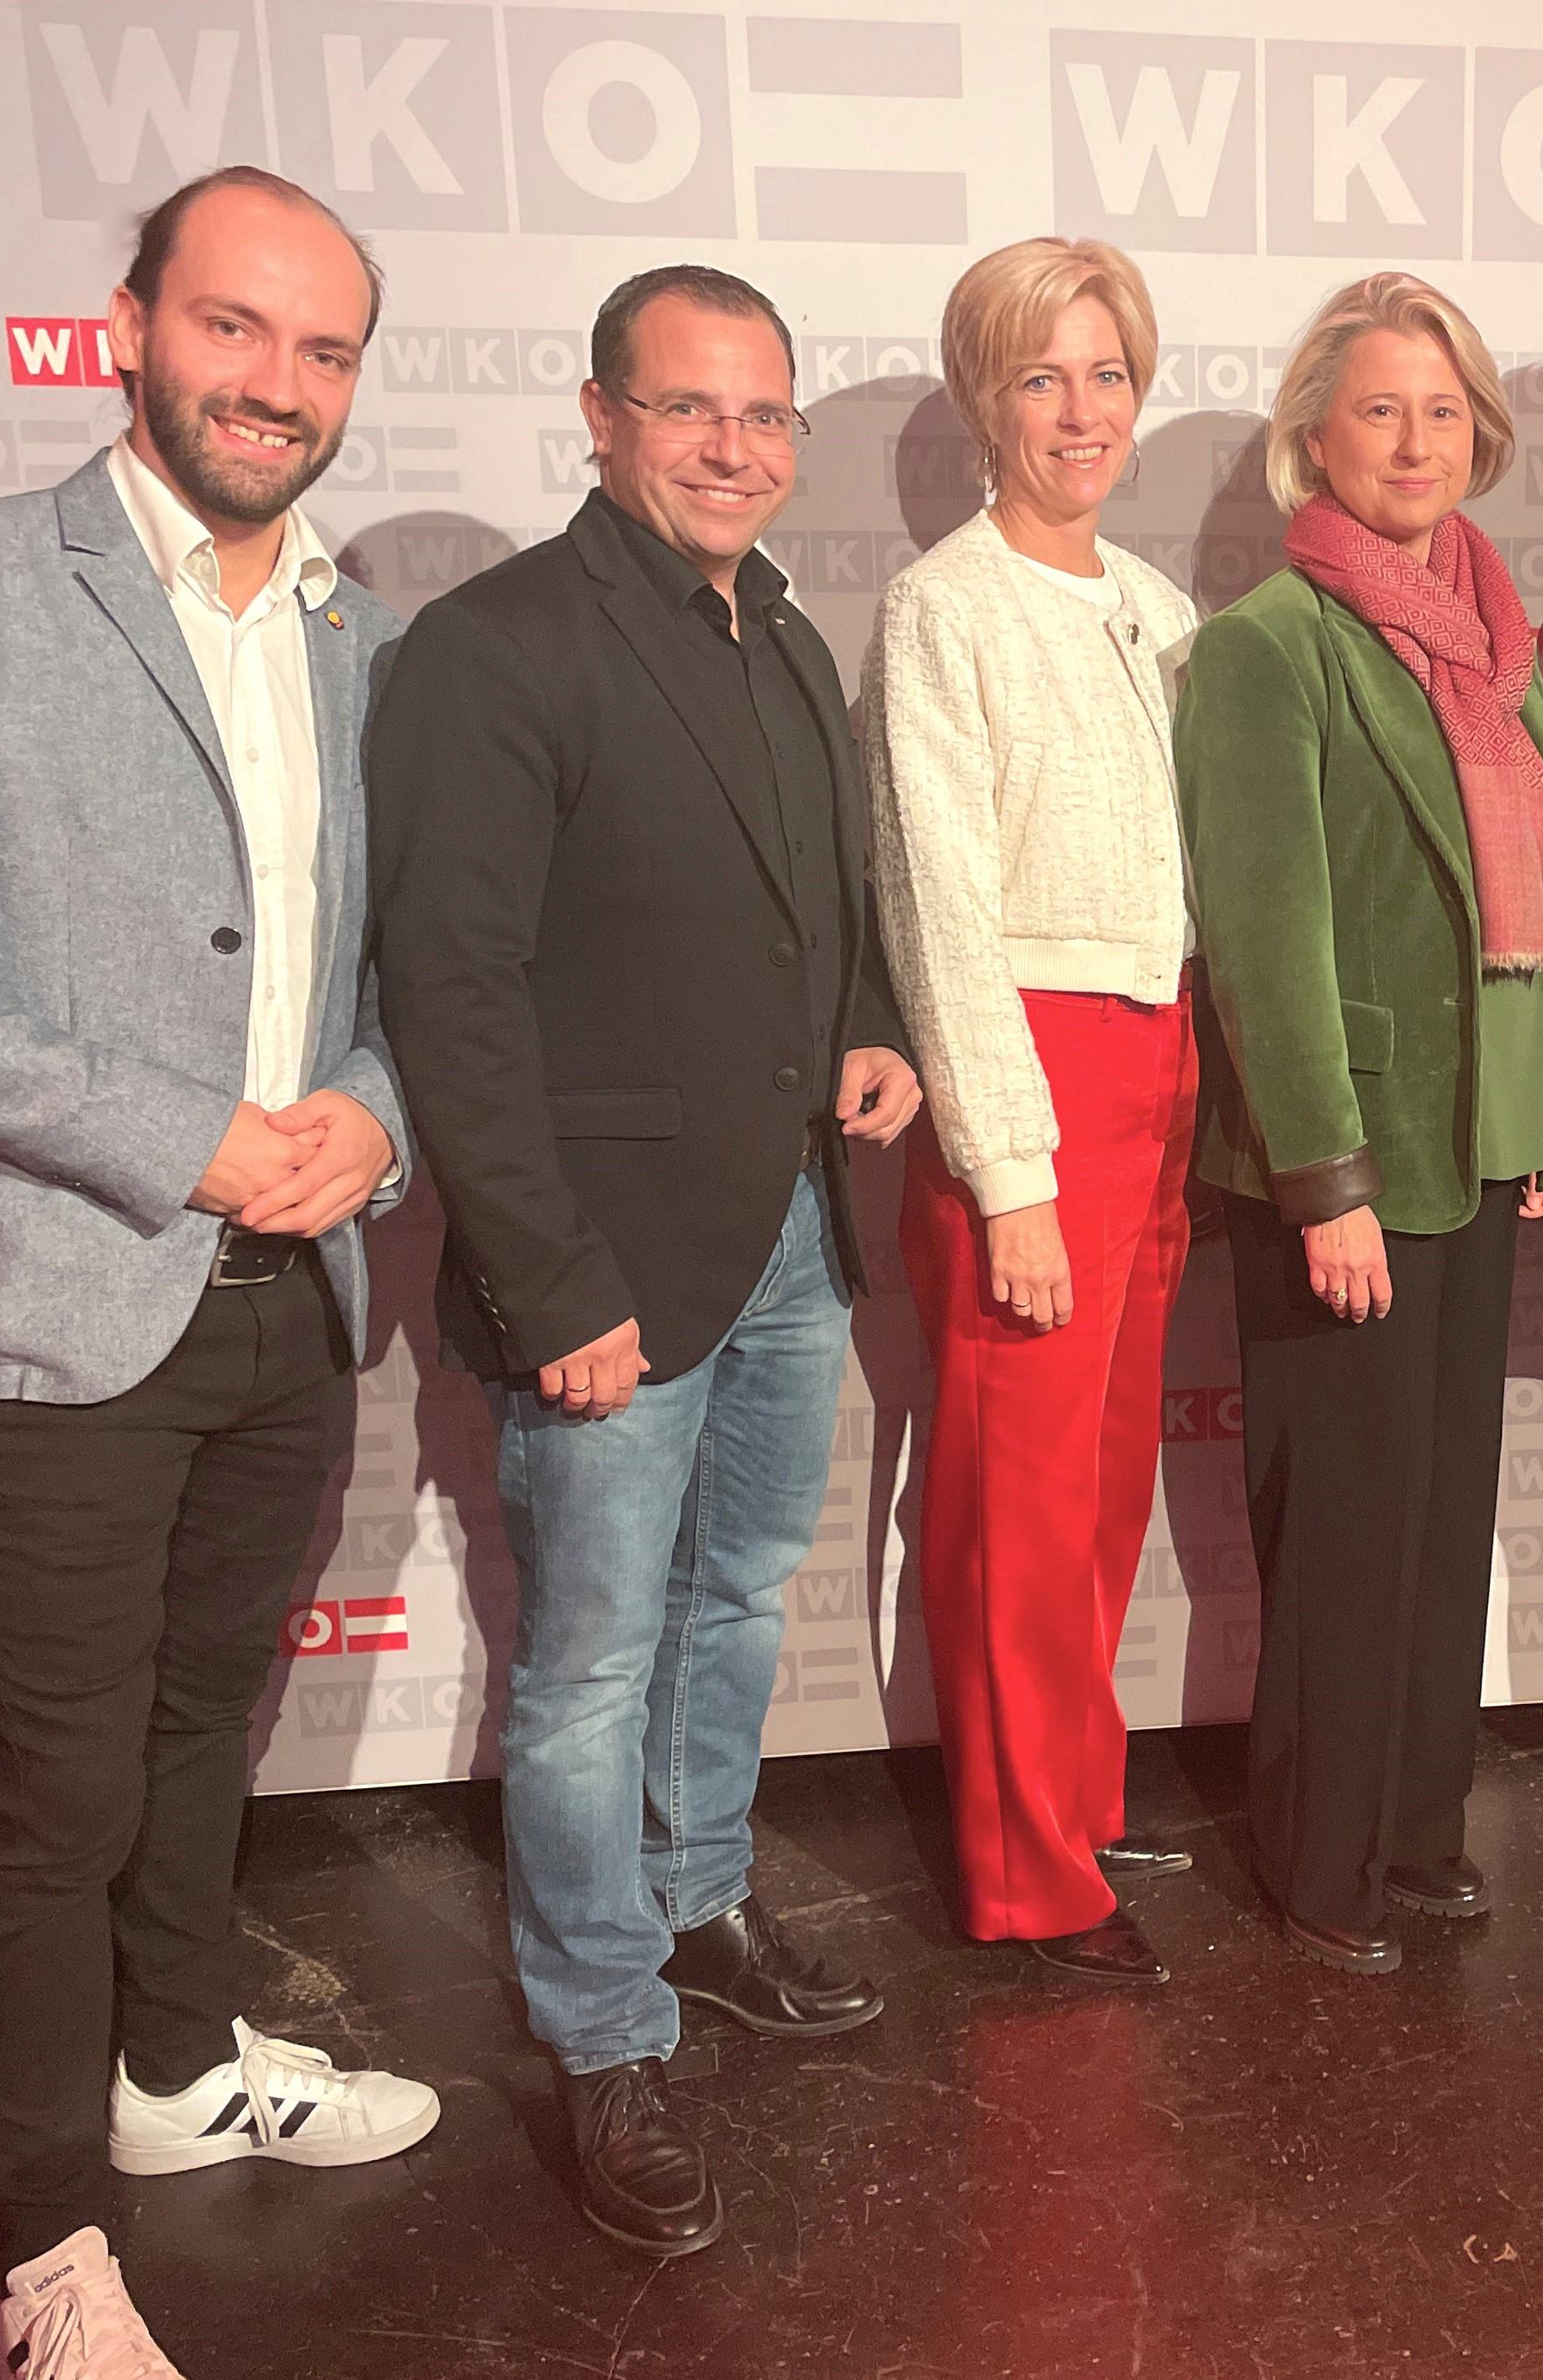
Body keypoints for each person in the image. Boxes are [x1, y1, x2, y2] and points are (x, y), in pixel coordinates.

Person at [0, 166, 440, 2380]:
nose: (277, 382)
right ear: (131, 325)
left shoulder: (359, 637)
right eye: (234, 326)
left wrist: (374, 1112)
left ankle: (174, 2070)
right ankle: (48, 2239)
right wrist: (179, 1137)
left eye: (324, 348)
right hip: (56, 1289)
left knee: (200, 1728)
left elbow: (389, 973)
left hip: (291, 1296)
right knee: (58, 1786)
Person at [367, 264, 919, 2255]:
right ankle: (606, 2033)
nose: (732, 448)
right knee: (591, 1666)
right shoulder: (495, 646)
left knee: (739, 1600)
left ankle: (699, 1905)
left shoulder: (786, 631)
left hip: (789, 1229)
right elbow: (450, 993)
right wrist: (550, 1278)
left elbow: (815, 901)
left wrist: (869, 1025)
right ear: (600, 418)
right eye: (688, 408)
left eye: (763, 415)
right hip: (603, 1263)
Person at [1175, 272, 1543, 1975]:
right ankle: (1320, 1862)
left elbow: (1537, 895)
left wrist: (1542, 1108)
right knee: (1343, 1533)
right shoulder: (1269, 647)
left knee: (1436, 1517)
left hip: (1478, 1145)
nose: (1415, 442)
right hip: (1345, 1164)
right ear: (1315, 439)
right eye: (1378, 412)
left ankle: (1414, 1828)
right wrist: (1321, 1178)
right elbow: (1265, 943)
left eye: (1441, 412)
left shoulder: (1497, 635)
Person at [863, 237, 1202, 1986]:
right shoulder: (943, 606)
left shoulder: (1156, 604)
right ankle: (1024, 1874)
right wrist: (1008, 1171)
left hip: (1163, 1066)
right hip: (1032, 1082)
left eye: (1107, 374)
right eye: (1040, 377)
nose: (1081, 412)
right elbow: (936, 908)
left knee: (1105, 1484)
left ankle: (1075, 1796)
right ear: (984, 402)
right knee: (1014, 1499)